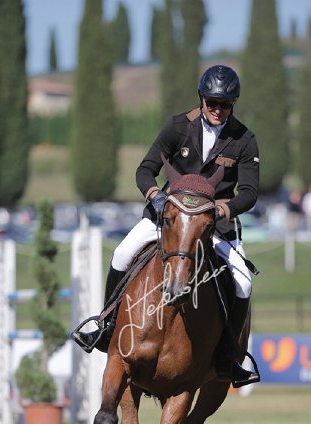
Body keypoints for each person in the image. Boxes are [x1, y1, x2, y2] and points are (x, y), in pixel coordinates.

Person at [73, 64, 260, 387]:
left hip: (213, 225)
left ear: (233, 104)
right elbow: (145, 170)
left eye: (225, 104)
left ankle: (230, 355)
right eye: (212, 102)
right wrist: (156, 197)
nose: (217, 109)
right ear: (201, 99)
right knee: (122, 254)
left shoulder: (244, 139)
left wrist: (221, 210)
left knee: (243, 281)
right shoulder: (177, 127)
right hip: (168, 218)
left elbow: (249, 193)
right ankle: (106, 326)